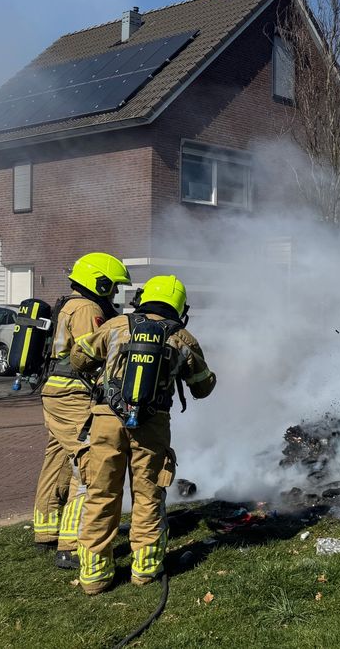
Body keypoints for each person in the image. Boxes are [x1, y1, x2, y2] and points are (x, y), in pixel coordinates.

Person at [70, 275, 215, 594]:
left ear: (144, 297)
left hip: (106, 419)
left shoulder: (116, 325)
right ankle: (146, 570)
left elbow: (78, 358)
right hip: (152, 426)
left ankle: (95, 576)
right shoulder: (183, 337)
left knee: (101, 494)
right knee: (149, 496)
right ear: (179, 306)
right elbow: (203, 387)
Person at [31, 253, 130, 569]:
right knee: (89, 462)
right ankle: (72, 544)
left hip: (55, 393)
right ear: (98, 281)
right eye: (112, 287)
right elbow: (89, 355)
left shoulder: (68, 304)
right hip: (74, 395)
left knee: (58, 460)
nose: (113, 294)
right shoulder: (88, 309)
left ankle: (46, 531)